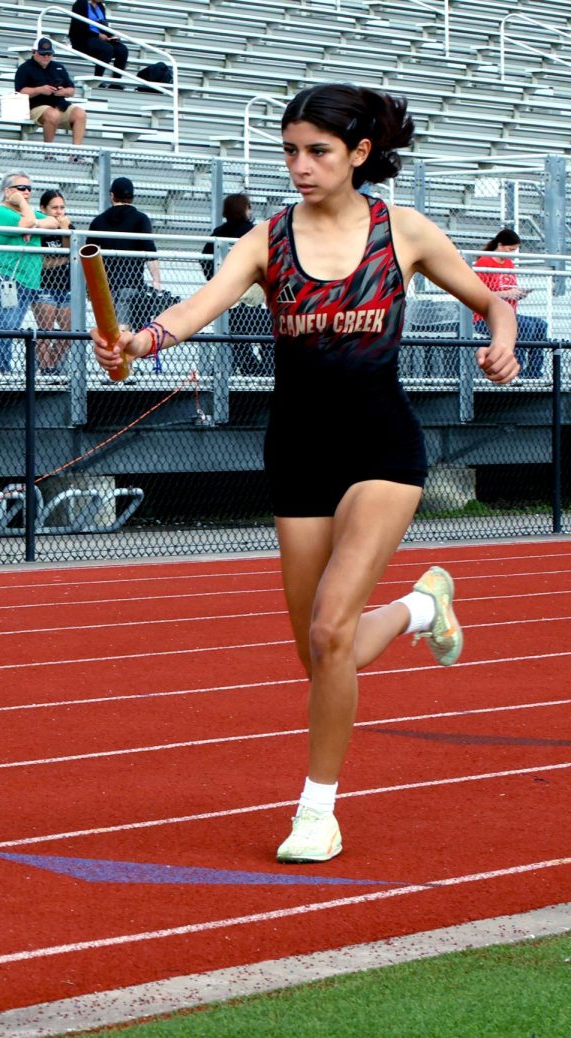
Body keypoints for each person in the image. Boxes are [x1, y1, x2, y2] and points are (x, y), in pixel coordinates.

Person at [91, 83, 518, 864]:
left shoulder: (405, 231)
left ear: (359, 154)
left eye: (317, 151)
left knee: (329, 632)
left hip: (383, 449)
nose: (300, 166)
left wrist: (504, 336)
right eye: (291, 151)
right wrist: (141, 344)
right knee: (324, 653)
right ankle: (424, 610)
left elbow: (492, 302)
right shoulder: (265, 240)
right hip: (297, 451)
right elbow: (195, 310)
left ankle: (317, 810)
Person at [0, 171, 55, 374]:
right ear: (8, 192)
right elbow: (26, 223)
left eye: (29, 188)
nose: (27, 192)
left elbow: (55, 222)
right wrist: (23, 207)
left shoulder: (29, 213)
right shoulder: (1, 212)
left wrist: (34, 223)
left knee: (11, 325)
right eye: (22, 189)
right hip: (1, 277)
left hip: (26, 279)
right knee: (7, 323)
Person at [202, 193, 271, 375]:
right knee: (268, 337)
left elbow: (205, 260)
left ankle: (250, 371)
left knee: (236, 340)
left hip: (228, 301)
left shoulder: (219, 233)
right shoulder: (254, 232)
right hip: (251, 299)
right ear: (244, 209)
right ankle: (264, 372)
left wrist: (216, 279)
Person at [473, 228, 548, 381]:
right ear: (500, 245)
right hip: (486, 317)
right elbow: (477, 295)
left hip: (509, 314)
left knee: (541, 325)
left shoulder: (509, 264)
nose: (512, 253)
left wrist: (517, 293)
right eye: (510, 249)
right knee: (526, 326)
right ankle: (515, 371)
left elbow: (507, 288)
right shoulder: (485, 262)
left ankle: (534, 373)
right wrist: (506, 294)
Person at [86, 176, 160, 329]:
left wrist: (90, 287)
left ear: (112, 195)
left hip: (104, 286)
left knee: (108, 330)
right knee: (127, 329)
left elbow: (90, 258)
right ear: (132, 197)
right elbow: (150, 250)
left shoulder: (98, 221)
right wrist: (156, 280)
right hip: (131, 283)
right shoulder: (141, 219)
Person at [14, 37, 87, 147]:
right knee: (53, 114)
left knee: (80, 114)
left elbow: (71, 90)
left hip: (59, 104)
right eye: (43, 54)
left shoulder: (58, 67)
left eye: (49, 54)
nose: (46, 57)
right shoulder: (24, 68)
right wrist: (40, 90)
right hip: (35, 106)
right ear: (34, 52)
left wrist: (63, 91)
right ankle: (48, 150)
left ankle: (76, 153)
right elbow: (20, 92)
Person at [33, 189, 74, 374]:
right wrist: (65, 258)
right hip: (44, 286)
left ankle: (51, 367)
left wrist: (65, 231)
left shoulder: (68, 228)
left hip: (67, 286)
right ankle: (46, 369)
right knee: (45, 332)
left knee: (68, 333)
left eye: (62, 207)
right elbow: (42, 263)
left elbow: (73, 252)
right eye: (54, 208)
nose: (59, 211)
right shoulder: (40, 229)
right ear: (43, 209)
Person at [69, 0, 128, 79]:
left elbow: (103, 25)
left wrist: (112, 36)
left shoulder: (100, 6)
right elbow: (78, 26)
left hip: (98, 38)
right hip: (83, 38)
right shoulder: (80, 3)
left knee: (122, 50)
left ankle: (116, 81)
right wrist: (97, 35)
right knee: (107, 48)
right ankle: (98, 78)